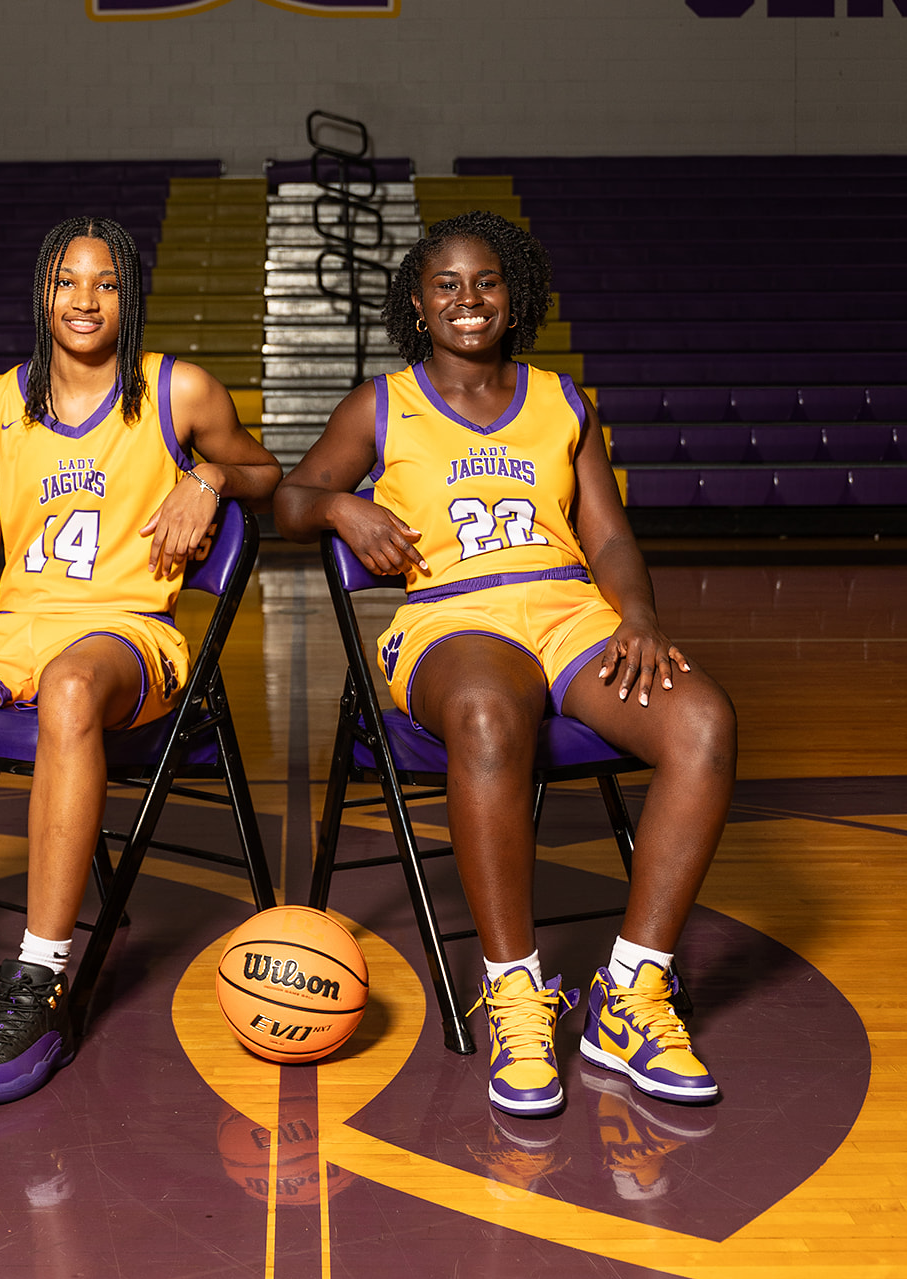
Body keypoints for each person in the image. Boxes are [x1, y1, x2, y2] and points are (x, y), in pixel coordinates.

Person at [274, 212, 735, 1117]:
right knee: (489, 715)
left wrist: (637, 617)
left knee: (702, 721)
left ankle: (630, 993)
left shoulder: (562, 401)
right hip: (452, 619)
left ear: (512, 295)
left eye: (485, 282)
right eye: (446, 284)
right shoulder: (383, 404)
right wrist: (339, 510)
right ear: (417, 302)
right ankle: (515, 993)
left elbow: (606, 534)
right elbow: (289, 497)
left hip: (571, 613)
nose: (467, 300)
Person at [0, 217, 281, 1107]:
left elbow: (269, 474)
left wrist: (210, 477)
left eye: (106, 283)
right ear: (42, 292)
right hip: (14, 630)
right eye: (68, 281)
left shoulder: (175, 390)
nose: (85, 300)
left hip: (126, 636)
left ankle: (40, 981)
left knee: (69, 685)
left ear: (129, 296)